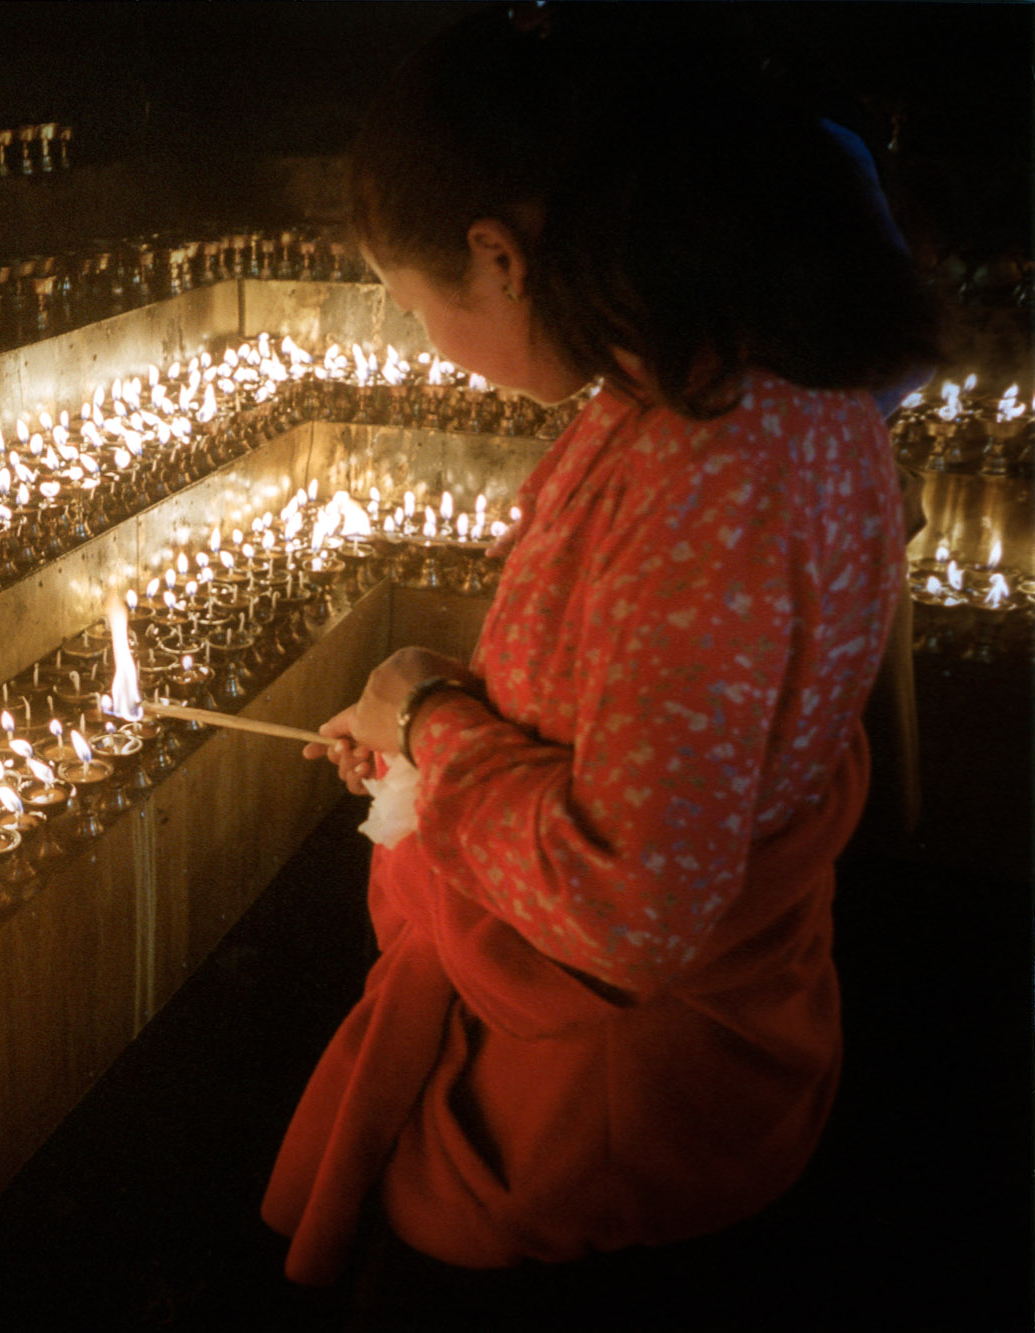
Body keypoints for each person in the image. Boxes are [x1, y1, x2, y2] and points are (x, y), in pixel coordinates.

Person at [261, 3, 939, 1297]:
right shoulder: (734, 375)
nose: (426, 345)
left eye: (416, 307)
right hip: (676, 1062)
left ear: (498, 256)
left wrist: (430, 727)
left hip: (615, 1119)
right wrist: (445, 706)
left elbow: (632, 908)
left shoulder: (710, 464)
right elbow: (663, 707)